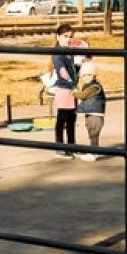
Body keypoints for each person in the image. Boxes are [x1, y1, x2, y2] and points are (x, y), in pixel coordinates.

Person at [51, 23, 79, 157]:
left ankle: (71, 145)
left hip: (72, 89)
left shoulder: (69, 51)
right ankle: (60, 146)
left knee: (72, 119)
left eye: (70, 37)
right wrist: (72, 84)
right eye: (65, 36)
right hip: (64, 89)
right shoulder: (58, 52)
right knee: (62, 120)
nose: (68, 39)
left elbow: (72, 68)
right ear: (58, 37)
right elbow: (62, 71)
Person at [74, 61, 107, 161]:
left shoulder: (94, 87)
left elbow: (83, 95)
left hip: (95, 114)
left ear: (94, 75)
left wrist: (74, 93)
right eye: (84, 75)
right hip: (91, 113)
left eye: (89, 75)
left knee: (93, 133)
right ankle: (95, 151)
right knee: (93, 133)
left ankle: (93, 153)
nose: (86, 77)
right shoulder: (88, 86)